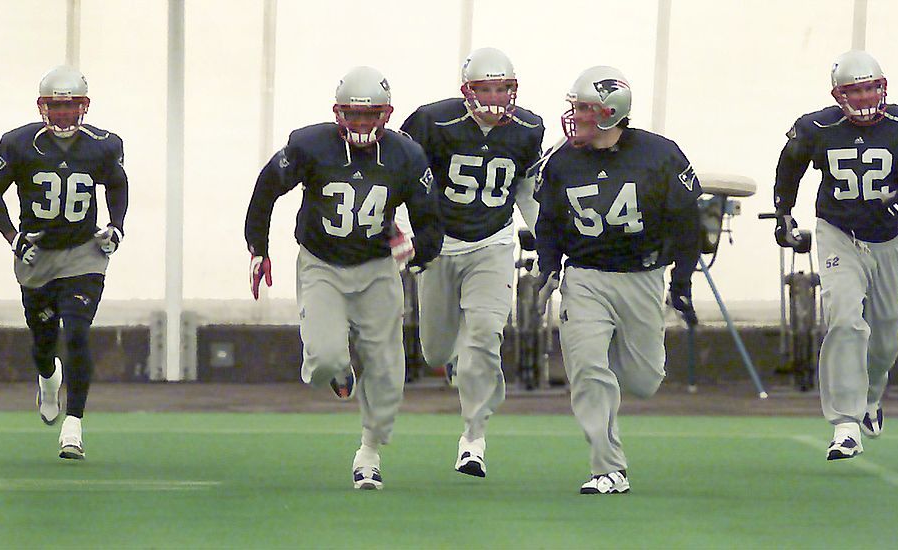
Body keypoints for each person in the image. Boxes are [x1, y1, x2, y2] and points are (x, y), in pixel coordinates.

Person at [244, 66, 443, 490]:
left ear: (387, 115)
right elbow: (266, 188)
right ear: (338, 113)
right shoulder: (310, 145)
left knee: (389, 371)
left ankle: (369, 453)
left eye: (371, 115)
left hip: (375, 269)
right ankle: (339, 371)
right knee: (323, 360)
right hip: (322, 264)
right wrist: (258, 249)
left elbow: (431, 225)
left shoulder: (406, 155)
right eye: (353, 114)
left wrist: (415, 249)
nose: (362, 123)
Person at [533, 66, 701, 494]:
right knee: (588, 370)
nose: (576, 116)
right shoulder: (560, 160)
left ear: (611, 113)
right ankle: (608, 467)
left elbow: (686, 222)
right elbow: (549, 223)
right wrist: (549, 267)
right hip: (585, 277)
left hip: (642, 277)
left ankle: (610, 382)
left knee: (645, 380)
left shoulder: (658, 154)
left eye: (585, 109)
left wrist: (681, 281)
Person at [772, 50, 898, 460]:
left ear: (883, 87)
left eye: (870, 88)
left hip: (886, 238)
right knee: (845, 318)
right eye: (855, 90)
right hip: (838, 232)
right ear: (838, 95)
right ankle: (846, 424)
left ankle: (872, 394)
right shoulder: (816, 126)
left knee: (885, 337)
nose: (865, 97)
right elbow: (789, 166)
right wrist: (783, 212)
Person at [399, 47, 544, 478]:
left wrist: (544, 236)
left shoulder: (528, 128)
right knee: (436, 351)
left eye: (504, 88)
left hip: (492, 243)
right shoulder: (432, 121)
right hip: (441, 245)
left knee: (485, 333)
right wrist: (406, 229)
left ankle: (473, 440)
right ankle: (455, 362)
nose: (496, 98)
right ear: (467, 91)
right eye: (487, 89)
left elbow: (526, 189)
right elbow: (401, 176)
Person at [0, 65, 128, 460]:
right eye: (56, 107)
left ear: (84, 107)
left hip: (84, 251)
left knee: (77, 333)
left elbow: (116, 183)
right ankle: (48, 377)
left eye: (71, 106)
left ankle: (74, 426)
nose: (64, 114)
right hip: (38, 254)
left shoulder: (104, 144)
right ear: (43, 107)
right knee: (43, 341)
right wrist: (14, 238)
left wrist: (116, 225)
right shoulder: (18, 144)